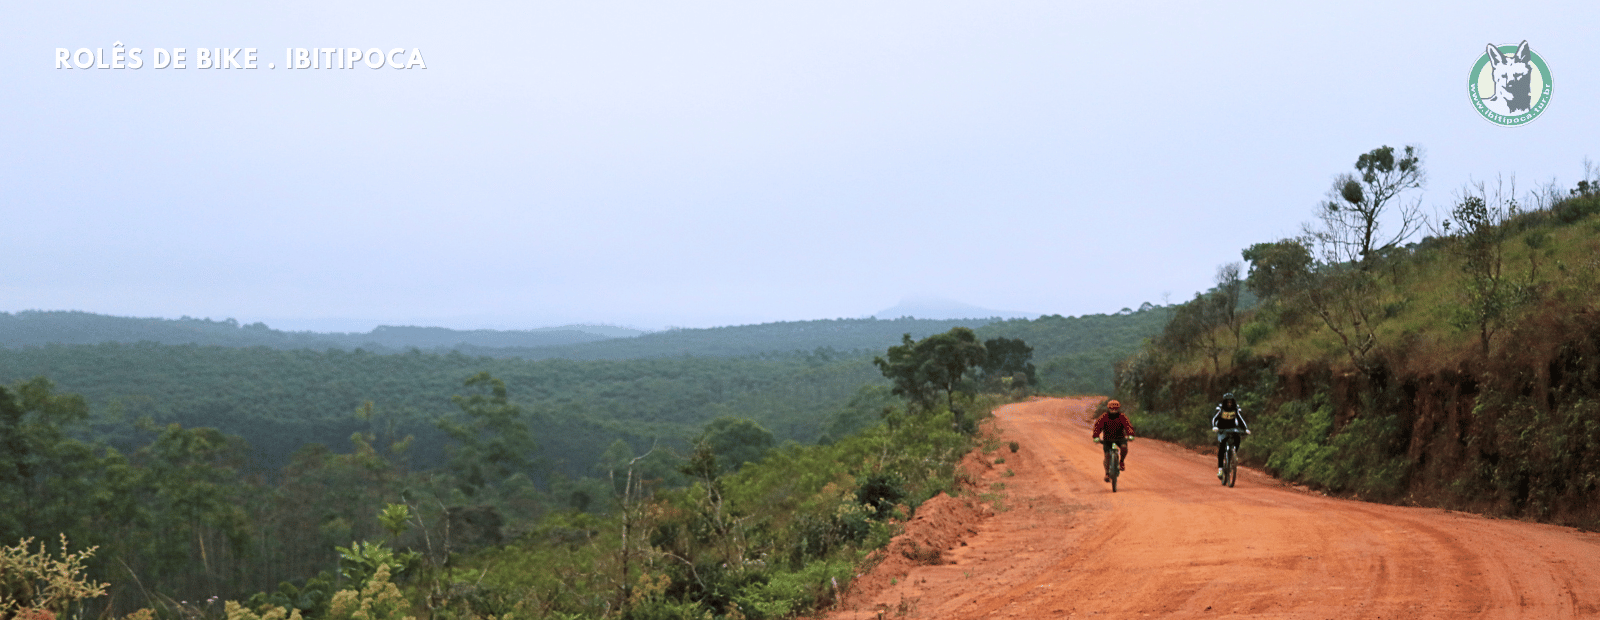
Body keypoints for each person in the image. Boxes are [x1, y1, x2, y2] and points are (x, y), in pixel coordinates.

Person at [1091, 399, 1135, 482]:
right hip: (1108, 439)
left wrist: (1130, 435)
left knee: (1124, 447)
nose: (1113, 410)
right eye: (1111, 409)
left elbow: (1128, 426)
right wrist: (1096, 437)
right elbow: (1097, 427)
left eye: (1115, 409)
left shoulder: (1122, 417)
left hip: (1120, 438)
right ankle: (1107, 473)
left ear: (1118, 409)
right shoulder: (1104, 417)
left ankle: (1121, 462)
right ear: (1108, 409)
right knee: (1107, 456)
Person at [1212, 392, 1250, 480]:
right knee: (1222, 447)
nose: (1229, 403)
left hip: (1232, 428)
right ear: (1225, 402)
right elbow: (1214, 418)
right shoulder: (1220, 408)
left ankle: (1233, 454)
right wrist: (1214, 427)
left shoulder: (1236, 408)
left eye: (1231, 402)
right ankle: (1220, 469)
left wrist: (1245, 429)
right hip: (1222, 429)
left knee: (1237, 438)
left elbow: (1240, 419)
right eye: (1227, 402)